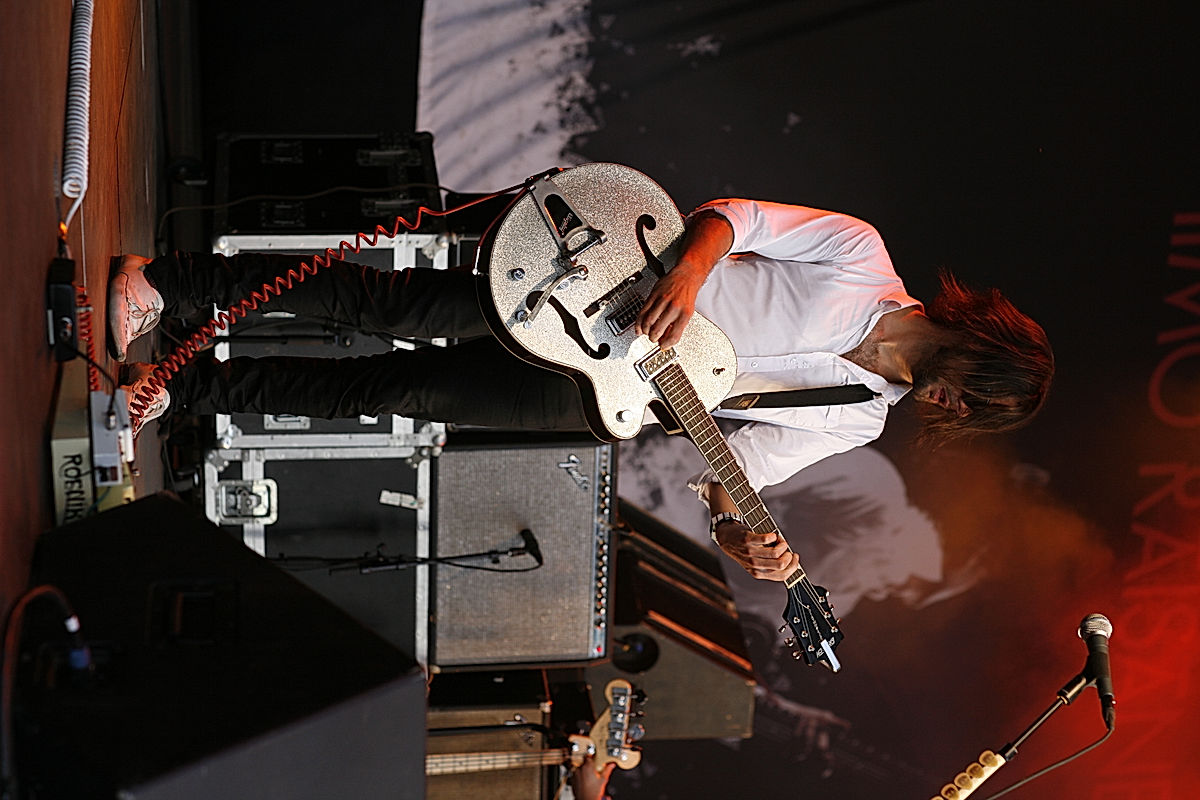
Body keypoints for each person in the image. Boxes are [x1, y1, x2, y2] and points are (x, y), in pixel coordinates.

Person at [110, 197, 1053, 582]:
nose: (955, 412)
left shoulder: (858, 419)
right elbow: (738, 215)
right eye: (977, 392)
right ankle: (170, 284)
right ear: (977, 340)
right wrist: (688, 275)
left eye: (974, 419)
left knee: (392, 388)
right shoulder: (862, 257)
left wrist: (743, 538)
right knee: (384, 306)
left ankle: (182, 389)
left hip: (604, 399)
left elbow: (738, 468)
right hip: (594, 286)